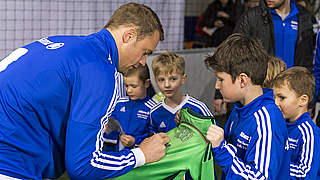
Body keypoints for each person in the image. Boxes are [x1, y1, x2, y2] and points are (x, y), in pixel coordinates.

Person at [0, 2, 170, 180]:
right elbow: (83, 165)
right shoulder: (100, 70)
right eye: (145, 52)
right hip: (9, 165)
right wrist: (141, 154)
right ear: (128, 36)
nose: (143, 62)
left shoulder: (62, 42)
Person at [205, 33, 290, 179]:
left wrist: (222, 149)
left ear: (242, 80)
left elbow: (260, 177)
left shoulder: (267, 119)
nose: (217, 86)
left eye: (220, 79)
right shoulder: (239, 110)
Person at [233, 0, 314, 72]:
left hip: (292, 84)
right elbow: (235, 51)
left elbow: (307, 57)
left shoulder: (304, 17)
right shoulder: (252, 16)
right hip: (263, 85)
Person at [271, 66, 320, 179]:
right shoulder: (278, 125)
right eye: (274, 97)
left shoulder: (309, 133)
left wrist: (274, 165)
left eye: (281, 98)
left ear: (303, 100)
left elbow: (305, 174)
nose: (275, 103)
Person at [149, 52, 213, 133]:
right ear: (156, 81)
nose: (167, 85)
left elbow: (215, 133)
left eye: (173, 79)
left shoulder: (198, 107)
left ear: (183, 79)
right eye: (161, 80)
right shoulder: (154, 113)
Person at [104, 65, 157, 151]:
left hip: (140, 158)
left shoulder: (153, 109)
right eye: (126, 86)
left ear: (146, 83)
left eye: (134, 86)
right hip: (116, 156)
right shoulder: (119, 104)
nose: (129, 90)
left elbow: (153, 137)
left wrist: (135, 142)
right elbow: (110, 129)